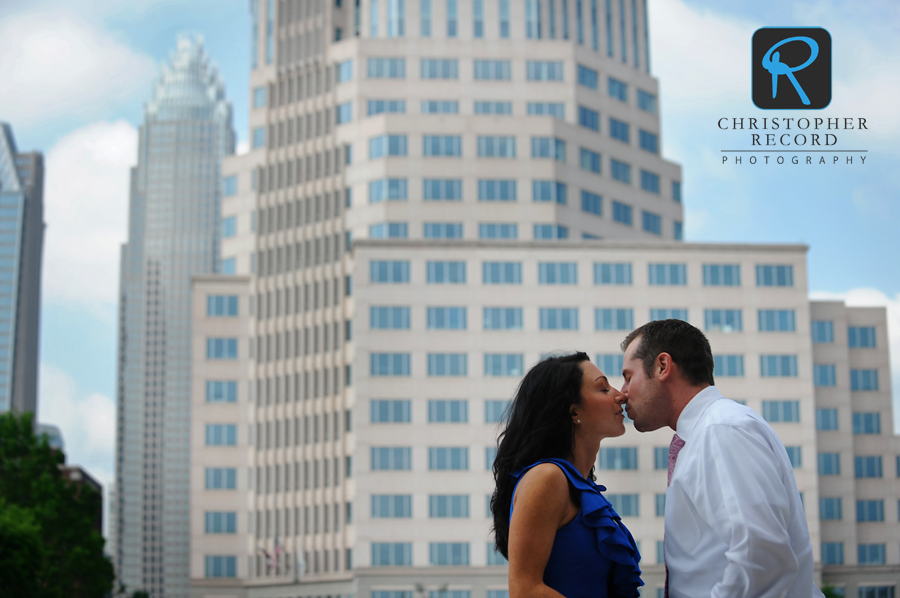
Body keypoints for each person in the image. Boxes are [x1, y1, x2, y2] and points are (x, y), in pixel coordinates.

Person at [619, 319, 824, 598]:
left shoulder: (720, 429)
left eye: (629, 377)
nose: (622, 392)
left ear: (663, 366)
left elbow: (760, 557)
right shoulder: (713, 430)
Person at [491, 352, 642, 598]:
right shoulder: (547, 477)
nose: (621, 395)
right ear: (573, 413)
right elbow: (525, 590)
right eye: (603, 389)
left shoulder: (582, 488)